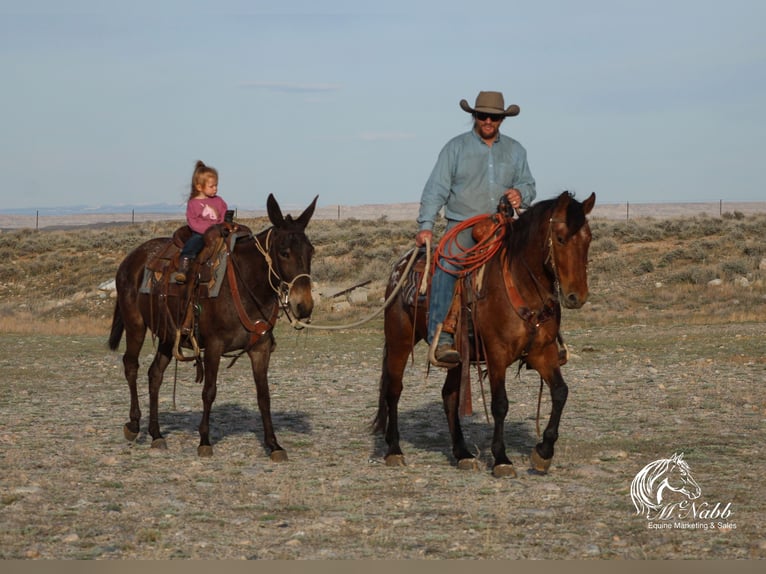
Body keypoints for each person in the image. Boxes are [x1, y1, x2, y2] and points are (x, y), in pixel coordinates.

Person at [416, 91, 537, 366]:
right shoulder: (455, 148)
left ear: (501, 120)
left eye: (494, 117)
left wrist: (521, 193)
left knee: (537, 262)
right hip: (463, 225)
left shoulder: (516, 150)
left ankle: (545, 335)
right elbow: (436, 189)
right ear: (474, 116)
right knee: (447, 263)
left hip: (503, 224)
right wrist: (426, 225)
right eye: (482, 115)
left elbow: (529, 184)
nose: (488, 121)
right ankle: (442, 335)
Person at [174, 160, 229, 284]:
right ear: (199, 187)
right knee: (195, 242)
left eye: (216, 185)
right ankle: (184, 265)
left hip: (218, 230)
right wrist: (208, 230)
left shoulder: (218, 201)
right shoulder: (193, 203)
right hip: (201, 232)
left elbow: (223, 213)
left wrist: (220, 225)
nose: (215, 189)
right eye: (211, 186)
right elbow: (192, 222)